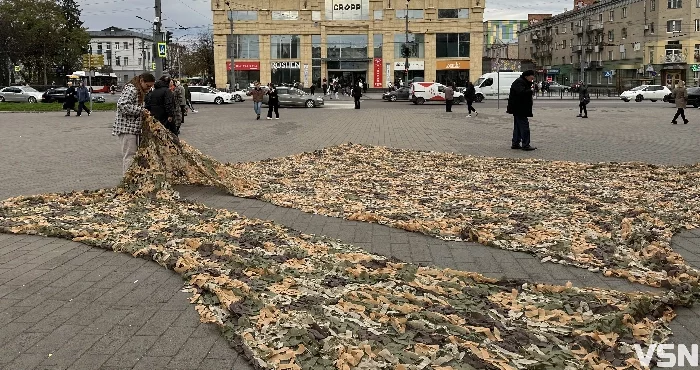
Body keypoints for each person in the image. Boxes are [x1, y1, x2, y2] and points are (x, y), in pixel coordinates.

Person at [112, 73, 156, 175]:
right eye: (148, 86)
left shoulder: (138, 90)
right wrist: (141, 110)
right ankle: (127, 181)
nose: (149, 89)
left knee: (133, 155)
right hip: (126, 128)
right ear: (141, 81)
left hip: (131, 128)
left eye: (151, 87)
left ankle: (132, 179)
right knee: (130, 156)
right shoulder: (132, 89)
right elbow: (122, 105)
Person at [507, 70, 536, 151]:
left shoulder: (522, 82)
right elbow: (521, 93)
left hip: (519, 108)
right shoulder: (520, 82)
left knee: (518, 127)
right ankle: (525, 144)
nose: (533, 77)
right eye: (531, 76)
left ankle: (515, 143)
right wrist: (530, 91)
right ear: (526, 76)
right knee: (524, 127)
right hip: (519, 109)